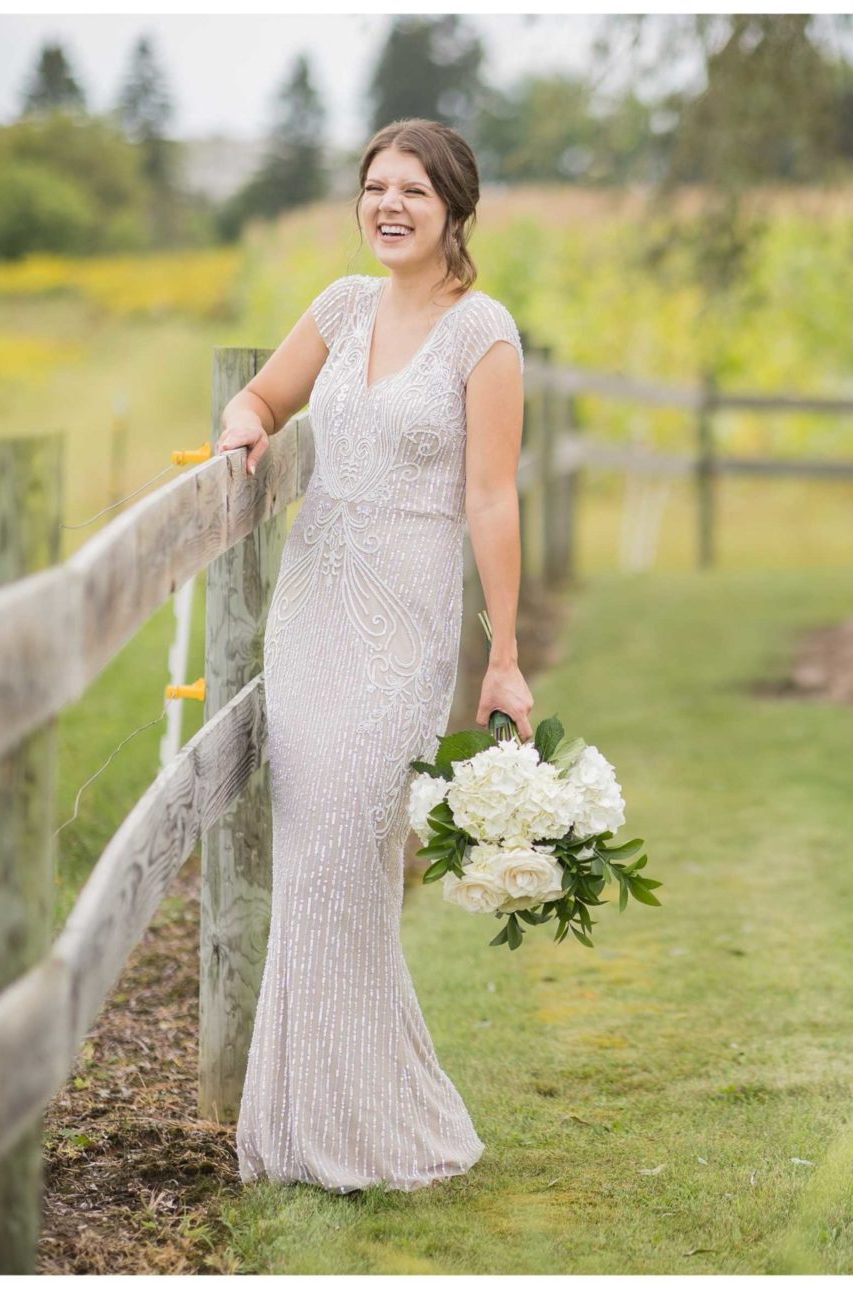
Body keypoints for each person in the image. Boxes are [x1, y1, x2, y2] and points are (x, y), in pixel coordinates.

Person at [213, 118, 531, 1192]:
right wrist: (241, 420)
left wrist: (506, 656)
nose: (389, 205)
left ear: (454, 211)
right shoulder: (340, 308)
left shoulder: (483, 332)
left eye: (414, 191)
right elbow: (265, 395)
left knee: (347, 856)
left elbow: (491, 497)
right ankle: (317, 1124)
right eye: (375, 187)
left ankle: (362, 1124)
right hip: (312, 613)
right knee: (312, 859)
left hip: (404, 626)